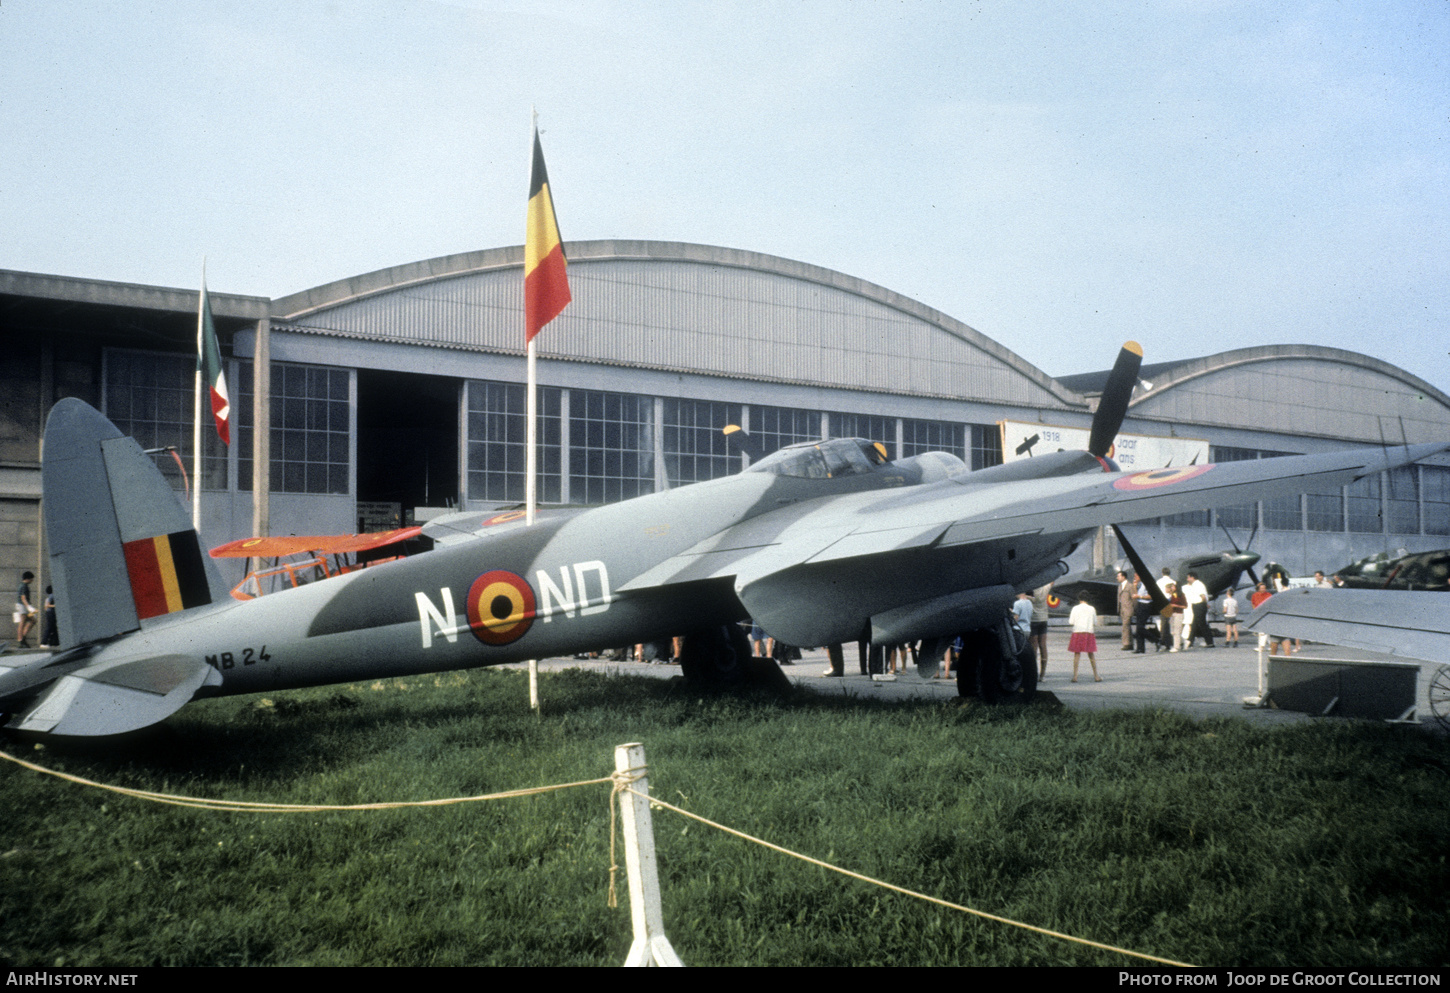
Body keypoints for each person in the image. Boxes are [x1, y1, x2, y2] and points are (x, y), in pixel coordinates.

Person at [1068, 595, 1100, 682]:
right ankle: (1096, 675)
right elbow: (1095, 622)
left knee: (1077, 654)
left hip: (1077, 632)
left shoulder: (1075, 608)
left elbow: (1071, 621)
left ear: (1079, 599)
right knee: (1091, 654)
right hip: (1088, 632)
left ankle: (1075, 676)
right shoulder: (1092, 608)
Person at [1184, 572, 1214, 648]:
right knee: (1194, 624)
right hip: (1197, 605)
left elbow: (1203, 596)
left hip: (1199, 605)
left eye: (1188, 577)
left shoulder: (1197, 585)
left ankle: (1210, 642)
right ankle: (1189, 641)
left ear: (1192, 577)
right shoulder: (1195, 584)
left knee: (1202, 624)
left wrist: (1204, 604)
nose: (1187, 579)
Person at [1012, 590, 1036, 678]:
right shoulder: (1029, 603)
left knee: (1018, 653)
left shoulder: (1017, 604)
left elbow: (1016, 618)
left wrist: (1011, 614)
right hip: (1027, 629)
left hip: (1019, 629)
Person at [1030, 584, 1051, 670]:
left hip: (1033, 620)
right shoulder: (1045, 588)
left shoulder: (1030, 589)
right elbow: (1052, 581)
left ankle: (1034, 670)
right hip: (1043, 619)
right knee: (1043, 645)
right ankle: (1043, 674)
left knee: (1034, 647)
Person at [13, 571, 36, 649]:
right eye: (32, 579)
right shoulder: (24, 586)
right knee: (22, 623)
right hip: (22, 606)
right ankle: (21, 640)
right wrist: (29, 607)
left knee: (33, 620)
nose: (32, 580)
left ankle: (23, 637)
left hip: (23, 606)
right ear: (28, 578)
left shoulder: (22, 585)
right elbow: (23, 598)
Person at [1132, 572, 1154, 653]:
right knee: (1138, 627)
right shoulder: (1140, 584)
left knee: (1140, 627)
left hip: (1146, 606)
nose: (1135, 577)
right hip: (1140, 605)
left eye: (1136, 576)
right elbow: (1136, 595)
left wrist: (1140, 596)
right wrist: (1134, 586)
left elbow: (1151, 596)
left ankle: (1155, 639)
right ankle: (1140, 648)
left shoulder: (1147, 584)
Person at [1165, 581, 1187, 652]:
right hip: (1173, 614)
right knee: (1172, 631)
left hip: (1179, 613)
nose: (1172, 587)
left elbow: (1185, 606)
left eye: (1173, 586)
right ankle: (1182, 642)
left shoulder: (1181, 595)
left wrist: (1176, 606)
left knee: (1177, 630)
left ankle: (1176, 647)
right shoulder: (1173, 595)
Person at [1116, 570, 1134, 650]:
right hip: (1122, 609)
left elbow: (1134, 599)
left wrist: (1134, 609)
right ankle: (1130, 643)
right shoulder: (1120, 586)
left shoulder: (1130, 586)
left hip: (1128, 609)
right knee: (1127, 627)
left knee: (1125, 626)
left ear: (1123, 577)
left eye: (1118, 576)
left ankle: (1126, 644)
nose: (1117, 578)